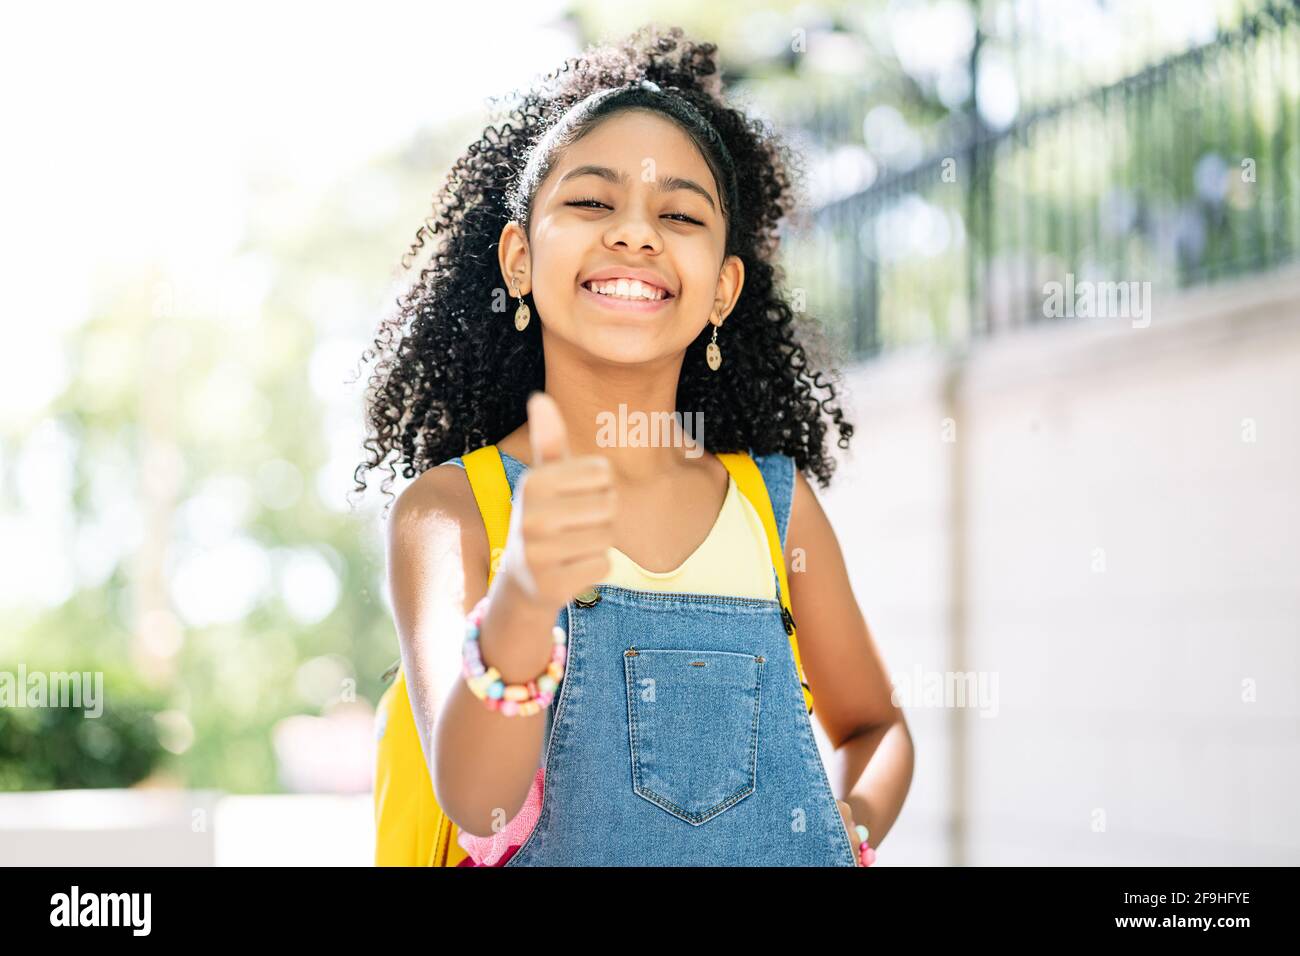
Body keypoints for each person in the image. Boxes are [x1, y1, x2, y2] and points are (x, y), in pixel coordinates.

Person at [357, 24, 913, 866]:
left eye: (680, 213)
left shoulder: (778, 512)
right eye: (590, 202)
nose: (635, 234)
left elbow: (876, 726)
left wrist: (853, 825)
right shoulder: (449, 513)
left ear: (724, 287)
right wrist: (524, 597)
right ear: (518, 257)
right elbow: (478, 798)